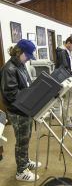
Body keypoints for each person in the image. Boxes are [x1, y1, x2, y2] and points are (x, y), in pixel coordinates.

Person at [0, 39, 41, 181]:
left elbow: (26, 84)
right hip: (17, 111)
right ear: (20, 52)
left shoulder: (21, 65)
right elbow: (11, 94)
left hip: (25, 108)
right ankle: (21, 171)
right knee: (21, 140)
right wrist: (28, 96)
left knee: (27, 137)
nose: (29, 58)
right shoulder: (9, 69)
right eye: (28, 55)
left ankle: (25, 161)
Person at [55, 36, 72, 130]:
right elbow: (65, 68)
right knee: (67, 102)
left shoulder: (66, 51)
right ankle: (67, 122)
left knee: (69, 101)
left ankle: (70, 117)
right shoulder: (62, 52)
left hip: (68, 78)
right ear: (68, 43)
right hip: (66, 79)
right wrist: (71, 78)